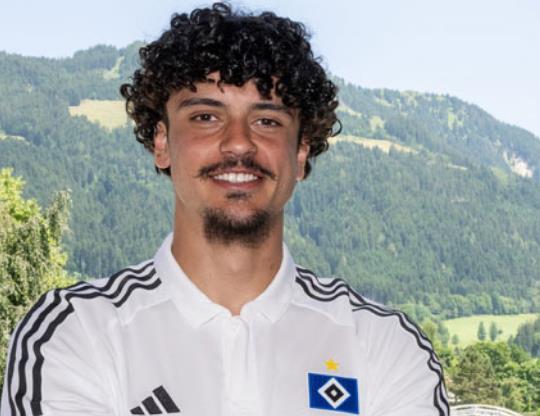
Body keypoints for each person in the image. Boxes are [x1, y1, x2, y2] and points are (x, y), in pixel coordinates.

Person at [2, 3, 449, 415]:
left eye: (267, 121)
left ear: (299, 155)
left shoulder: (384, 345)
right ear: (162, 143)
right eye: (206, 117)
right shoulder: (76, 332)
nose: (238, 143)